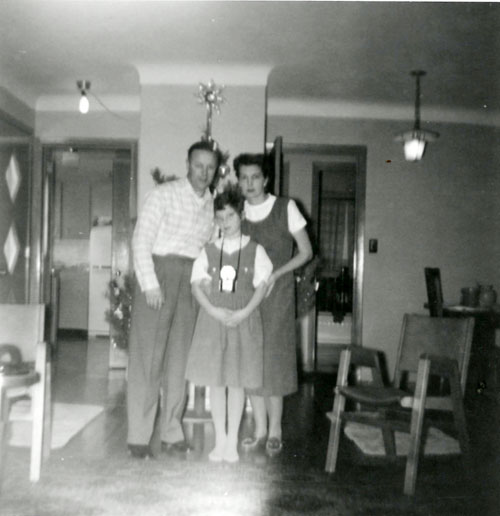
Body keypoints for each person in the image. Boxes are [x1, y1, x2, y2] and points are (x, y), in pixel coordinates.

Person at [127, 140, 222, 459]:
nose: (204, 173)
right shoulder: (164, 194)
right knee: (148, 359)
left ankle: (171, 431)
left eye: (210, 167)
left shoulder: (213, 205)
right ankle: (138, 435)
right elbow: (141, 239)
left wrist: (205, 281)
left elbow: (210, 248)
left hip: (190, 281)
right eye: (198, 166)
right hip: (158, 274)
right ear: (188, 163)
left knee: (179, 361)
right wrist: (150, 284)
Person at [185, 184, 273, 463]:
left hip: (242, 320)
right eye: (220, 218)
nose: (225, 223)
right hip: (214, 320)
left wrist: (245, 312)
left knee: (236, 382)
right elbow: (196, 285)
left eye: (231, 217)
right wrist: (212, 309)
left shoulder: (256, 250)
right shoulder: (209, 250)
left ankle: (232, 440)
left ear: (241, 215)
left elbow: (262, 286)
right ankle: (220, 441)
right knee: (216, 381)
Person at [234, 153, 313, 457]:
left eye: (255, 177)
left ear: (265, 179)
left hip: (277, 294)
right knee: (251, 360)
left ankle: (276, 429)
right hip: (247, 295)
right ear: (238, 181)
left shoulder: (285, 207)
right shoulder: (237, 213)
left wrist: (275, 275)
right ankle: (259, 429)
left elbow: (305, 252)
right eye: (244, 178)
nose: (250, 183)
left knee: (274, 361)